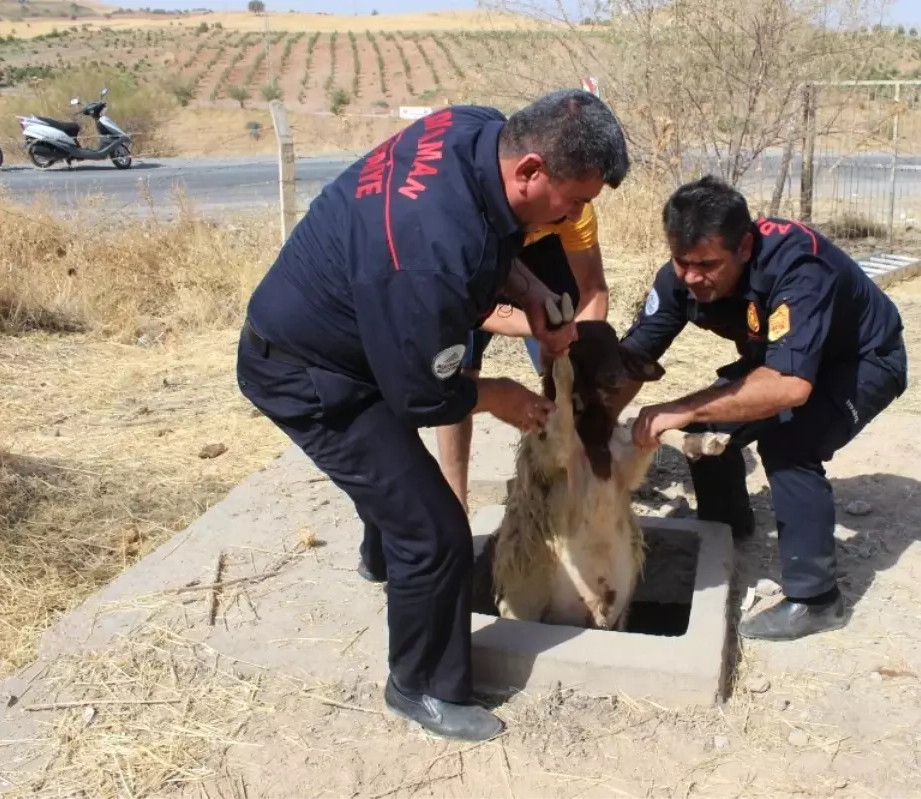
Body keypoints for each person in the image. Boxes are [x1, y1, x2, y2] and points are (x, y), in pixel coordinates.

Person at [235, 89, 629, 741]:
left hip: (358, 328)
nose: (574, 215)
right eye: (575, 200)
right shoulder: (429, 256)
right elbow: (421, 395)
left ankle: (379, 557)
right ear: (530, 169)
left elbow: (488, 238)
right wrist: (498, 393)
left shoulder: (476, 128)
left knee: (400, 497)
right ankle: (420, 687)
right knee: (434, 530)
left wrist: (529, 289)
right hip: (308, 372)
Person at [614, 175, 907, 642]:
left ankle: (816, 600)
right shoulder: (682, 277)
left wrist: (680, 406)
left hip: (859, 362)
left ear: (745, 247)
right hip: (781, 360)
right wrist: (592, 416)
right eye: (681, 262)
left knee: (789, 438)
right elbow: (632, 360)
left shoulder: (800, 266)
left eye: (707, 264)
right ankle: (727, 527)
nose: (692, 277)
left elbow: (790, 388)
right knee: (709, 422)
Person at [435, 200, 610, 509]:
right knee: (458, 378)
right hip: (477, 262)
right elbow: (467, 307)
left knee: (569, 376)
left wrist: (576, 345)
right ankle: (454, 502)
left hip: (539, 253)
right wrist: (538, 326)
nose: (576, 211)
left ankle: (575, 490)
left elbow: (592, 289)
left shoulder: (575, 204)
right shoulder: (474, 211)